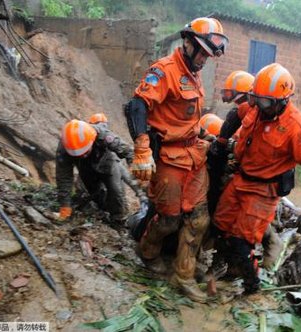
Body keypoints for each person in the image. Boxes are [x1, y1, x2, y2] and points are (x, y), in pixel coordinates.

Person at [124, 17, 228, 303]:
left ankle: (184, 275)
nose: (205, 60)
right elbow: (137, 106)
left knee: (198, 220)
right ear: (189, 43)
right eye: (203, 53)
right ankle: (147, 251)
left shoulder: (194, 73)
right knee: (169, 220)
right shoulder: (164, 71)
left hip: (194, 156)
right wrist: (142, 149)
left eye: (209, 56)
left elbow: (187, 117)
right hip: (169, 158)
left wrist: (206, 135)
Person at [213, 63, 301, 294]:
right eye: (257, 99)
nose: (259, 106)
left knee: (240, 240)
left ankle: (251, 285)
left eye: (265, 102)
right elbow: (236, 113)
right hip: (241, 178)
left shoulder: (296, 127)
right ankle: (231, 268)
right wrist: (222, 142)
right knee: (219, 226)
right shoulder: (257, 107)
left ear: (282, 100)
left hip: (263, 190)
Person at [56, 119, 133, 224]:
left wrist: (134, 164)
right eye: (79, 154)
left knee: (115, 190)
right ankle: (104, 212)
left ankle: (119, 219)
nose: (83, 155)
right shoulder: (64, 148)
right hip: (85, 168)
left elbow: (126, 150)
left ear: (92, 140)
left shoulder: (101, 134)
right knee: (96, 194)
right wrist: (65, 205)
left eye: (85, 152)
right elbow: (64, 177)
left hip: (108, 163)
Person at [87, 113, 142, 198]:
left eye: (103, 126)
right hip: (98, 164)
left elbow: (124, 149)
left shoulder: (104, 137)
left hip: (107, 162)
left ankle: (141, 194)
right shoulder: (90, 138)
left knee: (121, 183)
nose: (102, 128)